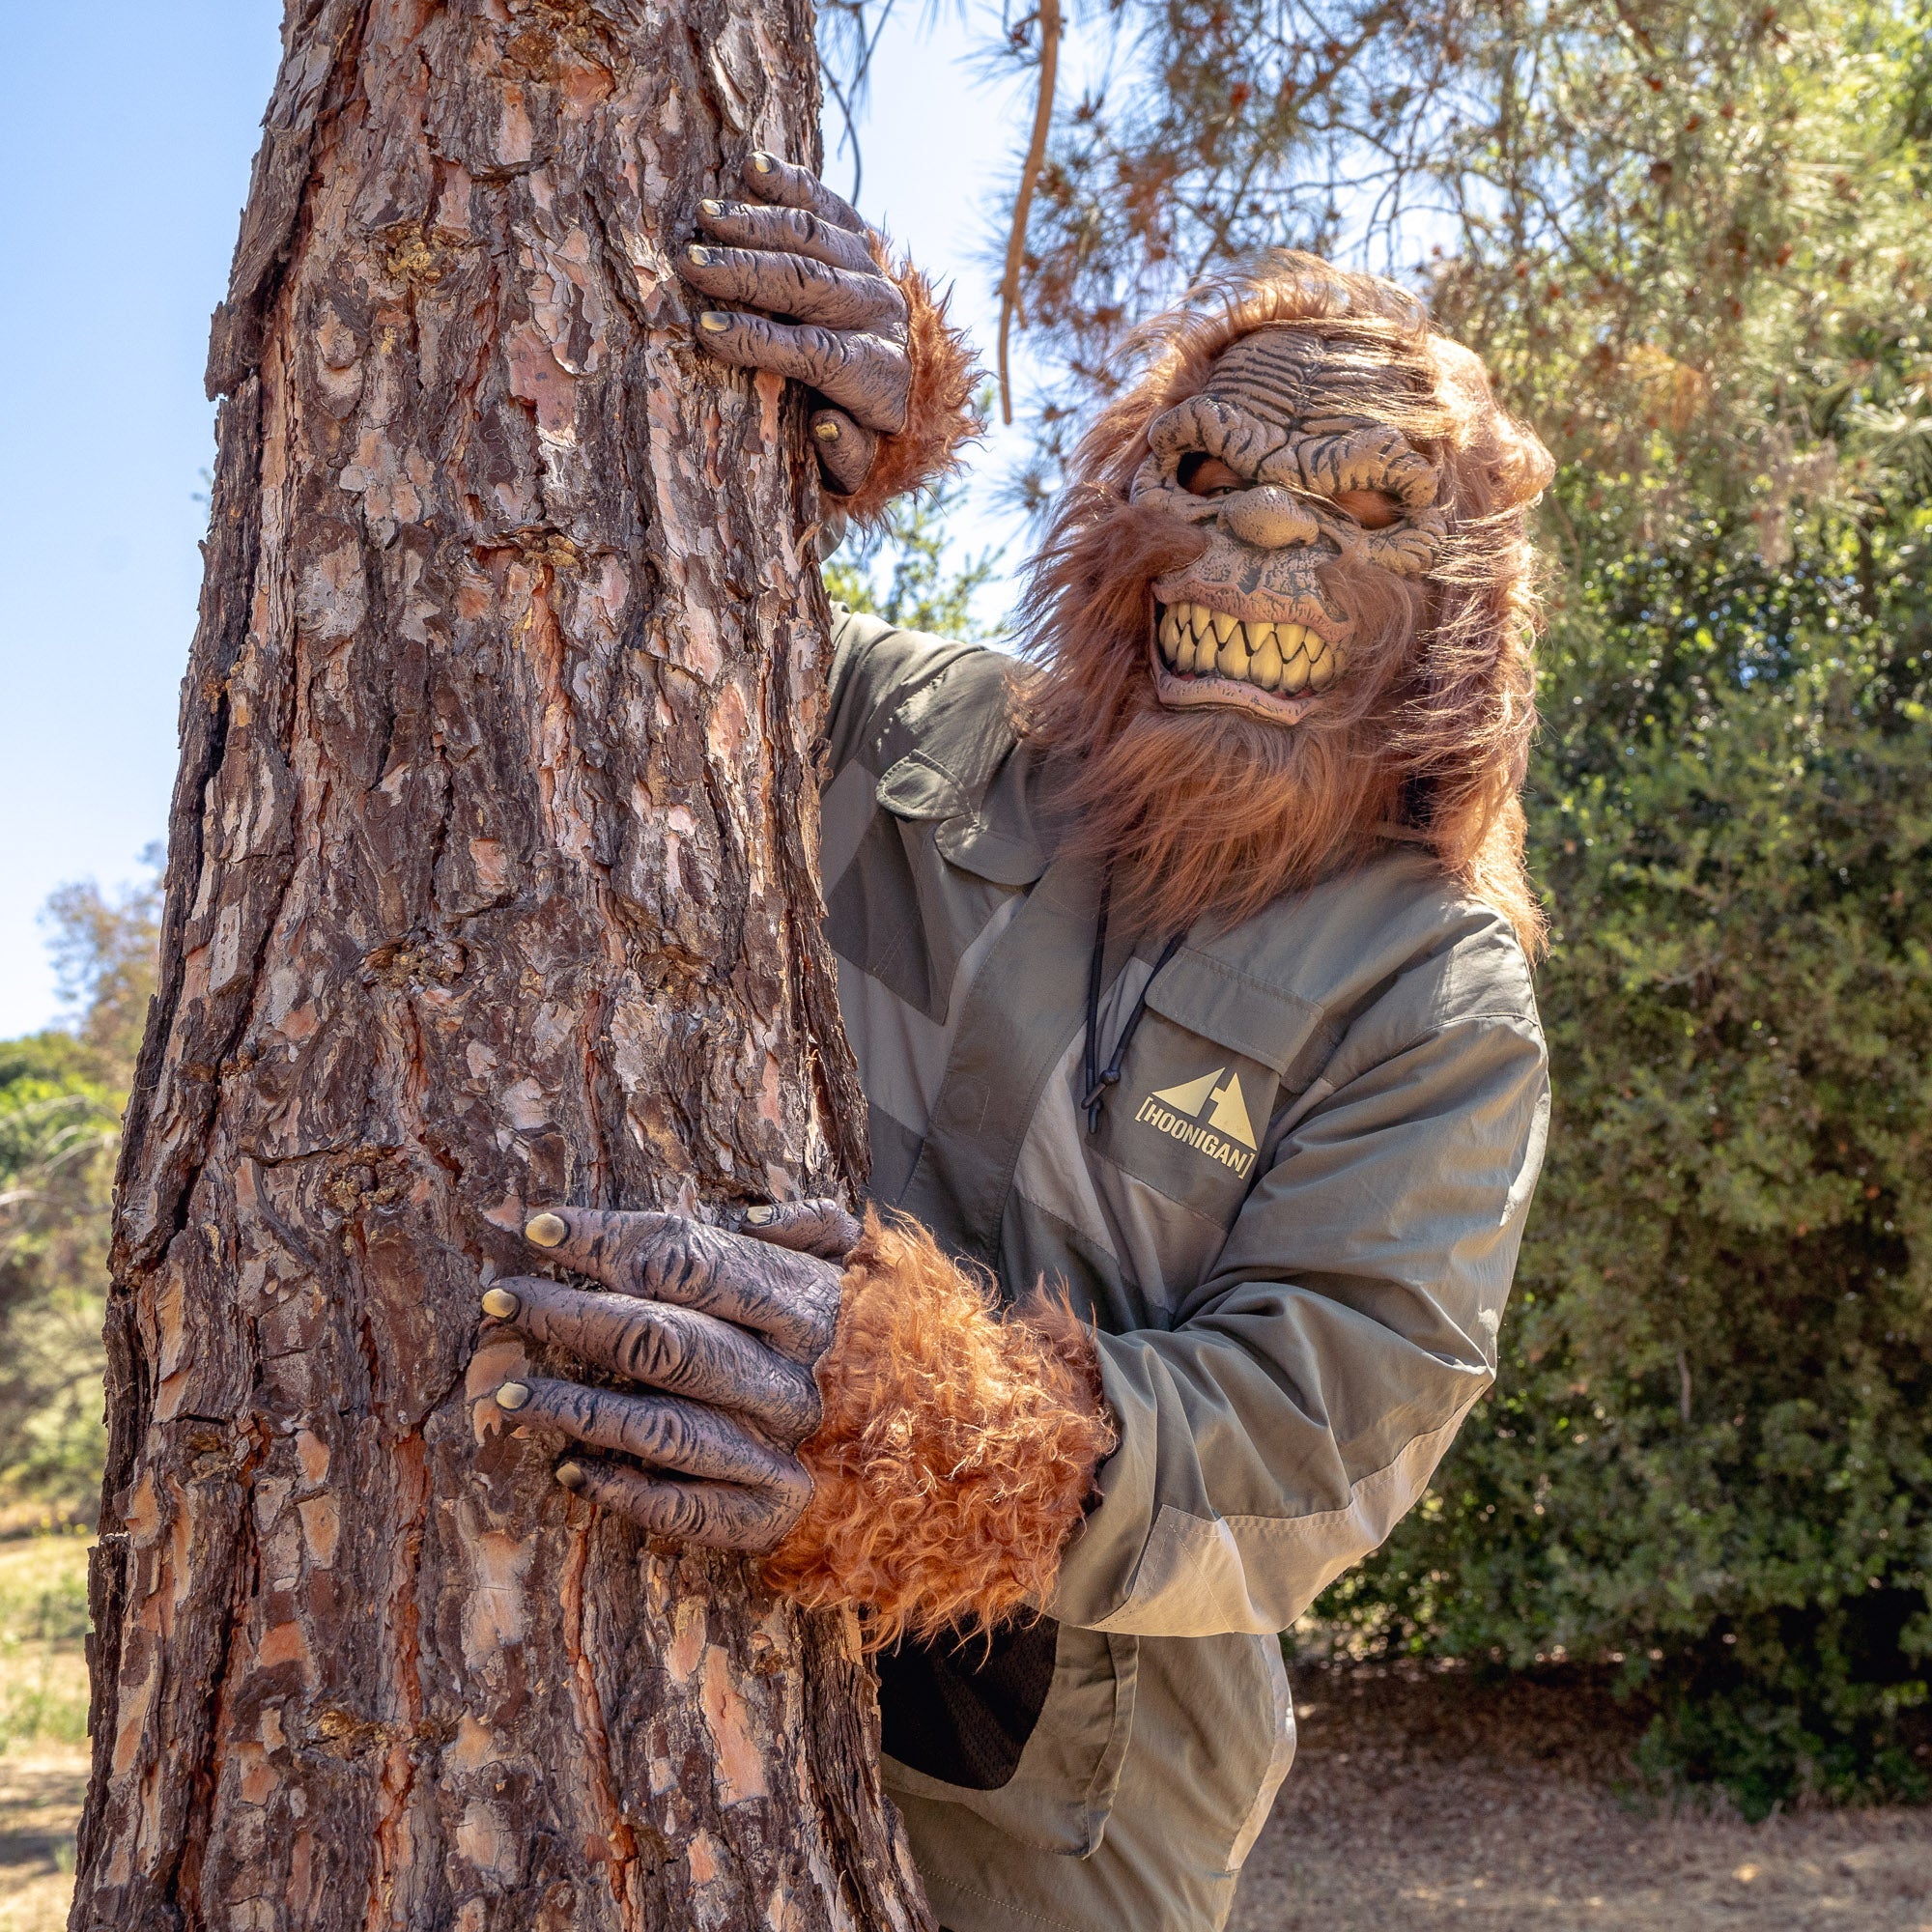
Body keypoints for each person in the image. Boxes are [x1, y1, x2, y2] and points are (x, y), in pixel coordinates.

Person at [472, 152, 1553, 1932]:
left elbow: (1337, 1427)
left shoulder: (1434, 983)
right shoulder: (929, 721)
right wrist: (808, 434)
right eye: (1207, 473)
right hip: (659, 1683)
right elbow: (624, 659)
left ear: (1464, 608)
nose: (1269, 532)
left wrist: (924, 1427)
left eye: (1369, 506)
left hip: (1057, 1808)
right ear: (1121, 503)